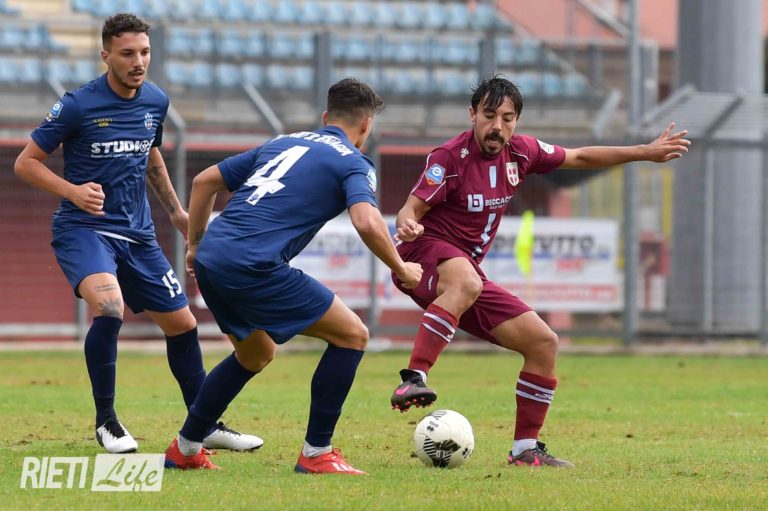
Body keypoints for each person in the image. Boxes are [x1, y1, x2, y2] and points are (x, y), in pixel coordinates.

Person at [389, 75, 691, 468]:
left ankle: (525, 449)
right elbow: (410, 208)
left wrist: (644, 152)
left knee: (543, 342)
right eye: (489, 115)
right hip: (422, 255)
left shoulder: (522, 152)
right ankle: (414, 378)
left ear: (516, 121)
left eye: (507, 118)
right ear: (472, 114)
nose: (497, 126)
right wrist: (407, 223)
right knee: (466, 281)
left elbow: (580, 157)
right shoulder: (449, 158)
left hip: (467, 277)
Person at [14, 13, 262, 454]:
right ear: (105, 55)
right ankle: (107, 422)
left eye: (145, 52)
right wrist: (72, 191)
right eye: (127, 53)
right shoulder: (77, 105)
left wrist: (178, 212)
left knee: (183, 325)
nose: (139, 62)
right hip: (85, 229)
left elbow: (150, 157)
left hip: (139, 235)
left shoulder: (156, 101)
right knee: (110, 307)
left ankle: (203, 424)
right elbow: (25, 163)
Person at [162, 77, 422, 473]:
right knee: (352, 335)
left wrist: (195, 244)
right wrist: (401, 268)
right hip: (253, 265)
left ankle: (185, 448)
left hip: (214, 257)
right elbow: (366, 221)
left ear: (325, 117)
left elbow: (204, 181)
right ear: (366, 124)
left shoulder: (283, 142)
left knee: (254, 353)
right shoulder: (354, 162)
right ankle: (317, 453)